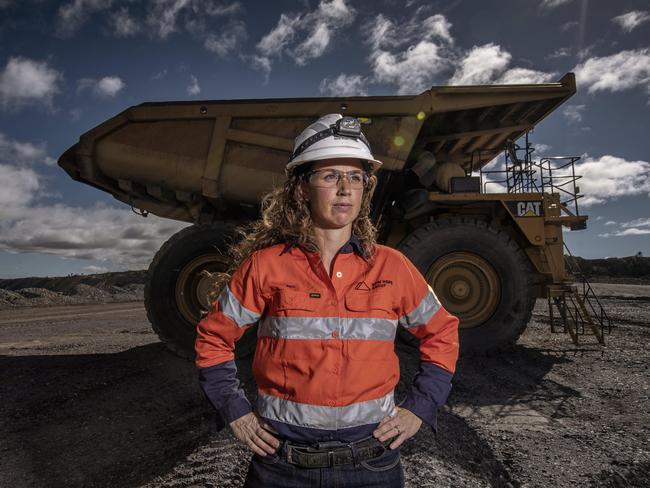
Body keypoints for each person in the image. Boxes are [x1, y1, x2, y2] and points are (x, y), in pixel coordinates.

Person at [195, 113, 459, 487]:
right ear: (302, 187)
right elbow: (214, 338)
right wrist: (235, 411)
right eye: (330, 176)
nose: (345, 189)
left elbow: (442, 333)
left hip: (373, 466)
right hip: (280, 468)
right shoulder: (266, 267)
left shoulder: (392, 266)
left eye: (355, 178)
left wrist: (420, 408)